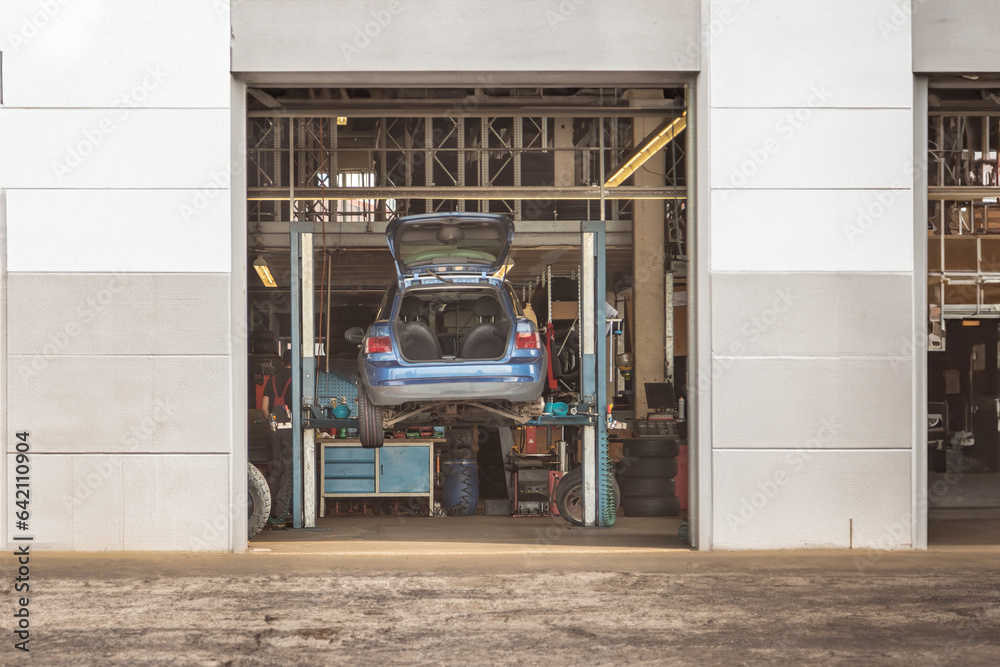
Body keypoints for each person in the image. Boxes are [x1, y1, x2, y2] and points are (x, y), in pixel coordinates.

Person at [262, 350, 293, 421]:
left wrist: (272, 422)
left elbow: (264, 408)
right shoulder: (298, 380)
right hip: (292, 426)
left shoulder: (271, 380)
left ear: (282, 363)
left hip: (275, 425)